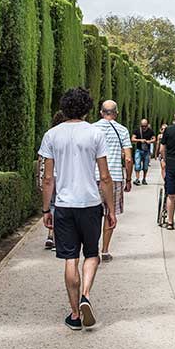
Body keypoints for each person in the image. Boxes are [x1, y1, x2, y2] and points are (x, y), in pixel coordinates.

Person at [39, 88, 116, 330]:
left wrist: (45, 210)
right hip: (90, 204)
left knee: (69, 257)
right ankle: (85, 295)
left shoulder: (51, 135)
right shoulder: (95, 134)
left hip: (64, 205)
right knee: (91, 254)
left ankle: (74, 314)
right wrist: (111, 209)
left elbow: (48, 179)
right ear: (86, 108)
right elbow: (105, 177)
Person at [93, 100, 133, 262]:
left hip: (93, 177)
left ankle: (92, 249)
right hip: (115, 177)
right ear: (116, 113)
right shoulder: (122, 130)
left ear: (101, 112)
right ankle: (105, 250)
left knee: (93, 215)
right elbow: (129, 159)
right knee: (110, 214)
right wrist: (128, 179)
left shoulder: (91, 128)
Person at [38, 110, 66, 250]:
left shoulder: (49, 135)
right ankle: (56, 237)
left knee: (52, 205)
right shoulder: (68, 136)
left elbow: (40, 159)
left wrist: (40, 176)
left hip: (50, 175)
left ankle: (51, 235)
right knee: (59, 205)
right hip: (61, 176)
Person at [131, 118, 155, 186]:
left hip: (146, 150)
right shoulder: (137, 131)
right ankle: (137, 179)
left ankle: (144, 179)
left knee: (145, 166)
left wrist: (149, 141)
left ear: (147, 125)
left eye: (145, 126)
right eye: (142, 126)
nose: (144, 127)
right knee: (137, 164)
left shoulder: (150, 131)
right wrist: (140, 140)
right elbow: (132, 139)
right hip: (139, 149)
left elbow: (154, 138)